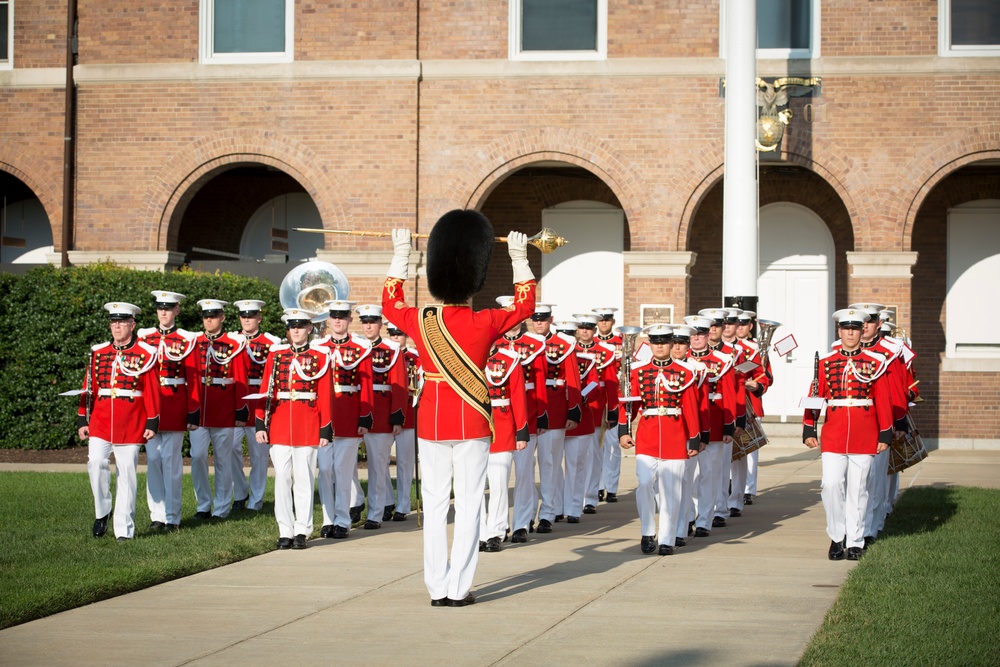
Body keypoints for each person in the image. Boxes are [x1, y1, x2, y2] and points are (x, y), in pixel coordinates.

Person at [382, 210, 535, 608]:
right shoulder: (485, 320)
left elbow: (390, 303)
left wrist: (401, 255)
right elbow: (526, 306)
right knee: (469, 505)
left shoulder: (420, 319)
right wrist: (520, 259)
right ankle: (458, 588)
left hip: (431, 420)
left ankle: (436, 588)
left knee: (434, 507)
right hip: (472, 421)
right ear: (474, 280)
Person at [804, 308, 896, 561]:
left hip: (865, 432)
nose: (850, 333)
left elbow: (884, 400)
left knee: (859, 488)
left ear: (861, 331)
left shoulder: (876, 362)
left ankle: (855, 540)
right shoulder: (825, 362)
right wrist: (808, 427)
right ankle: (837, 536)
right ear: (839, 331)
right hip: (834, 431)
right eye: (846, 329)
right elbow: (815, 395)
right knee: (830, 485)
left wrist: (885, 433)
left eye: (855, 329)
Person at [78, 302, 160, 541]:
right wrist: (83, 418)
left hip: (131, 421)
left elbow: (152, 390)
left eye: (122, 322)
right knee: (95, 463)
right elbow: (89, 387)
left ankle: (124, 529)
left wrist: (152, 422)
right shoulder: (99, 352)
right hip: (101, 419)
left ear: (132, 325)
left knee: (126, 474)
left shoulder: (145, 353)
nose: (116, 326)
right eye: (113, 322)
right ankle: (103, 512)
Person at [619, 324, 701, 556]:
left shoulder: (685, 372)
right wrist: (623, 431)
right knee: (644, 483)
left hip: (675, 435)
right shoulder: (637, 371)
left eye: (664, 342)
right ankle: (647, 531)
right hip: (647, 433)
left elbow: (692, 408)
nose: (660, 346)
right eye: (655, 342)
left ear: (671, 343)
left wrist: (694, 438)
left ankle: (667, 538)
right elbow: (629, 404)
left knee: (671, 490)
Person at [255, 308, 332, 550]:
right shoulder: (276, 355)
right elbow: (265, 390)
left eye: (300, 325)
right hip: (278, 424)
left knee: (304, 479)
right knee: (282, 479)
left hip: (307, 424)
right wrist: (260, 422)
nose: (295, 330)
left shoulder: (320, 356)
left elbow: (325, 395)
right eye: (291, 326)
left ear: (310, 328)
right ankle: (284, 530)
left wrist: (325, 428)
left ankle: (302, 530)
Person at [138, 290, 198, 532]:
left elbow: (193, 379)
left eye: (168, 308)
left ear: (177, 311)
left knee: (171, 462)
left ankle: (172, 517)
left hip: (174, 404)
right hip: (150, 407)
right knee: (152, 460)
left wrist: (193, 411)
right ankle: (157, 514)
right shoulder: (144, 338)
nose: (163, 312)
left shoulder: (186, 339)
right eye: (160, 308)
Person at [313, 299, 374, 538]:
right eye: (334, 316)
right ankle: (328, 518)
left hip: (349, 415)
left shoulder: (361, 348)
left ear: (349, 319)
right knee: (325, 470)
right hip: (323, 418)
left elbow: (367, 385)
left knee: (342, 470)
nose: (338, 320)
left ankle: (342, 520)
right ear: (328, 320)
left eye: (342, 316)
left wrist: (365, 418)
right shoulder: (317, 347)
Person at [190, 299, 250, 519]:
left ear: (222, 317)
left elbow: (241, 379)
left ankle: (222, 507)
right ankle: (203, 505)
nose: (209, 319)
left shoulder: (235, 344)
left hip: (223, 409)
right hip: (199, 410)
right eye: (206, 315)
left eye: (213, 315)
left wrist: (241, 409)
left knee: (223, 460)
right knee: (197, 457)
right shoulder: (194, 342)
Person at [495, 300, 547, 543]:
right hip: (500, 417)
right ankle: (500, 525)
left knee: (525, 473)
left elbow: (540, 381)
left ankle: (522, 524)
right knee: (498, 475)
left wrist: (541, 414)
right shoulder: (492, 345)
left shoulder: (535, 344)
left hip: (529, 413)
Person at [684, 312, 737, 538]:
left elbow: (730, 394)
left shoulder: (722, 361)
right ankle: (686, 517)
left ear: (708, 336)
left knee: (709, 474)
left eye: (701, 334)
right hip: (685, 423)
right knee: (686, 475)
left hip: (713, 419)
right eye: (693, 335)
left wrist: (729, 426)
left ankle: (704, 520)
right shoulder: (680, 361)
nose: (696, 339)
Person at [532, 305, 582, 534]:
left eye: (542, 319)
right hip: (529, 408)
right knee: (524, 466)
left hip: (554, 407)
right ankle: (528, 513)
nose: (538, 323)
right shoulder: (522, 344)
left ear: (551, 319)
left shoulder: (564, 344)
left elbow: (572, 379)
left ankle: (548, 513)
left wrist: (573, 410)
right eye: (535, 319)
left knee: (549, 463)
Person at [356, 304, 406, 529]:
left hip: (381, 413)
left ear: (379, 324)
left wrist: (397, 417)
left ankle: (375, 513)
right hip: (354, 412)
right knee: (343, 465)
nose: (368, 326)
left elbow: (399, 385)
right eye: (365, 322)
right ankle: (358, 501)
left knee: (378, 465)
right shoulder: (354, 347)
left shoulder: (391, 349)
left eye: (373, 322)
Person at [232, 299, 281, 512]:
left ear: (259, 318)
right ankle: (241, 492)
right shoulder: (232, 341)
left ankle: (256, 499)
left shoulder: (271, 342)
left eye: (251, 316)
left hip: (259, 399)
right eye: (243, 316)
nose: (247, 319)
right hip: (237, 399)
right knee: (230, 449)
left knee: (259, 455)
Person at [480, 343, 528, 553]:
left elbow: (518, 396)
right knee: (476, 486)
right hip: (475, 426)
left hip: (502, 425)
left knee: (499, 484)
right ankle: (479, 532)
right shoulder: (467, 355)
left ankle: (495, 532)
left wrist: (522, 431)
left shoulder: (510, 359)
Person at [574, 313, 618, 516]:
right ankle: (573, 497)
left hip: (596, 406)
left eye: (589, 328)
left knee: (594, 453)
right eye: (582, 327)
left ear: (594, 330)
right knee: (574, 457)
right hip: (573, 405)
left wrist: (612, 410)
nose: (585, 331)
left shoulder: (605, 351)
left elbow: (610, 383)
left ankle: (590, 497)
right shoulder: (569, 350)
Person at [388, 324, 420, 521]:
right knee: (380, 461)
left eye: (399, 334)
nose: (395, 337)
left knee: (405, 462)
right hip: (385, 413)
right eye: (391, 334)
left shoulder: (416, 358)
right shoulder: (382, 354)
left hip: (408, 414)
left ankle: (403, 504)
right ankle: (385, 501)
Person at [592, 307, 623, 504]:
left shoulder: (621, 342)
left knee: (613, 444)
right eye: (601, 320)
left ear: (613, 321)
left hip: (615, 395)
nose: (604, 323)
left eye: (607, 319)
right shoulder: (590, 344)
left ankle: (611, 487)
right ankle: (597, 486)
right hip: (596, 397)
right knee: (596, 445)